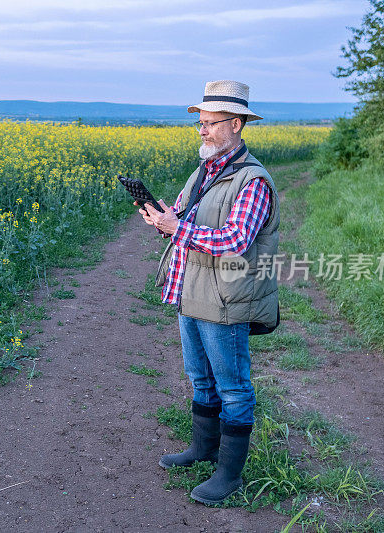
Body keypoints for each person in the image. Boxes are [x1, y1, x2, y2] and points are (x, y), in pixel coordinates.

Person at [136, 80, 279, 505]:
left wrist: (178, 228)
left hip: (226, 298)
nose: (202, 131)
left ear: (236, 124)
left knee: (233, 388)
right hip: (190, 291)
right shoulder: (203, 171)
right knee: (200, 378)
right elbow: (184, 215)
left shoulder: (252, 180)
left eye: (211, 124)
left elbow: (235, 240)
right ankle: (203, 449)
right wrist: (165, 216)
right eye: (200, 123)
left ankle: (229, 475)